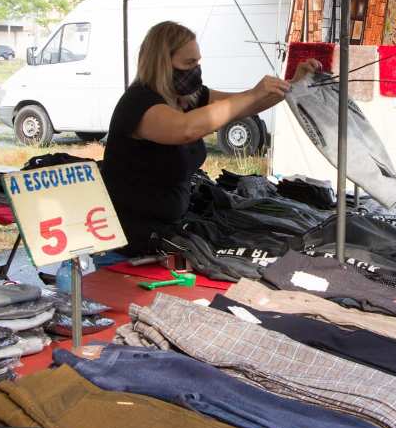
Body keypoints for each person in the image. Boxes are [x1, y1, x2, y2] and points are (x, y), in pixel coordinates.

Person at [100, 21, 319, 257]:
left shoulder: (188, 96)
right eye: (188, 63)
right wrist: (252, 93)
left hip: (169, 227)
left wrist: (294, 84)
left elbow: (244, 107)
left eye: (197, 62)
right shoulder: (138, 103)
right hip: (134, 237)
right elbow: (186, 129)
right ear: (161, 62)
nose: (196, 69)